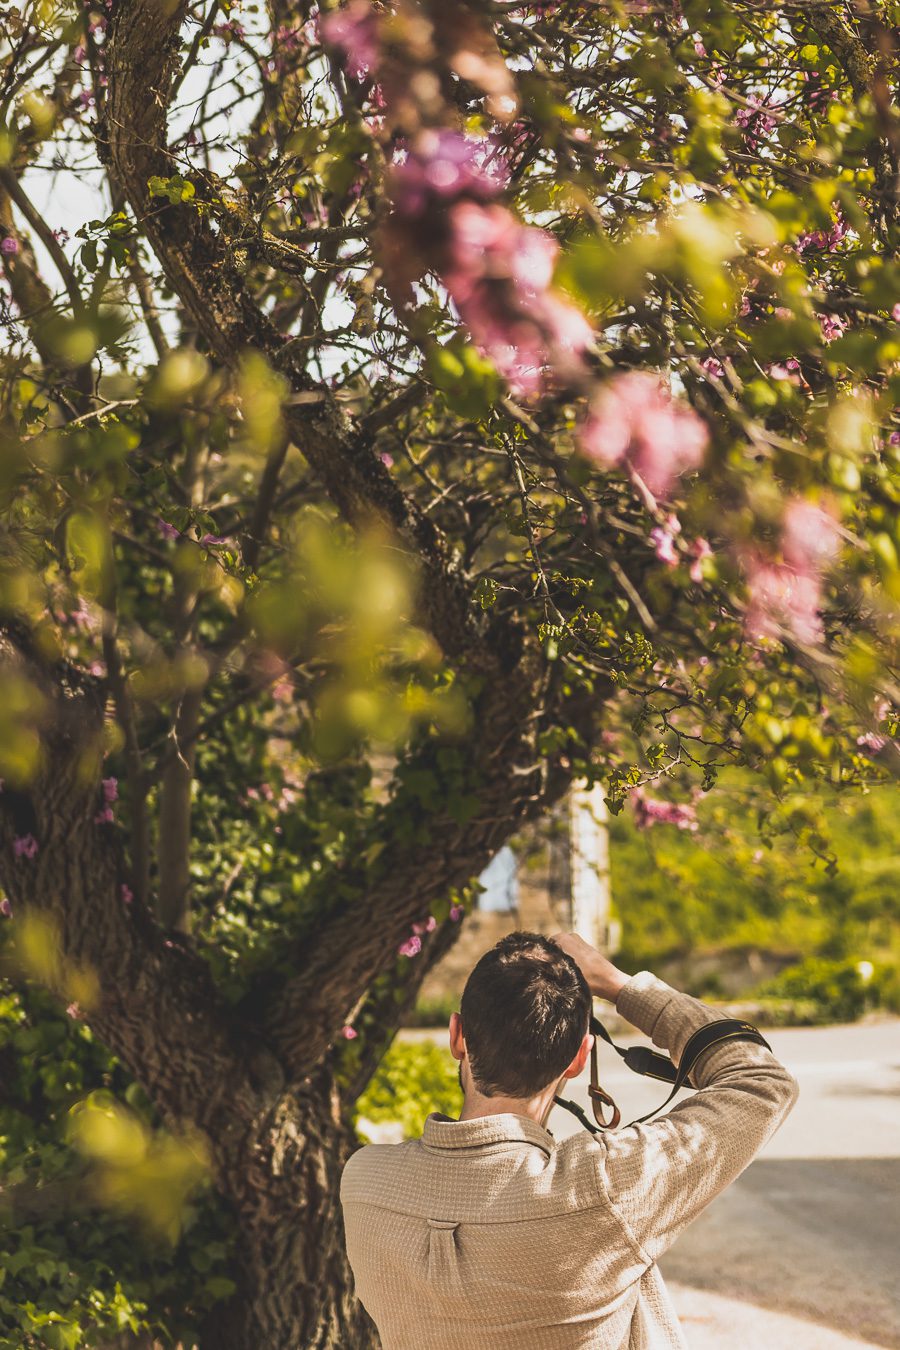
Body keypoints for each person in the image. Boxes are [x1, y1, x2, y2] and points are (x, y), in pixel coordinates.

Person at [340, 929, 799, 1348]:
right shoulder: (604, 1186)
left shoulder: (364, 1183)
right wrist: (620, 986)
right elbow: (762, 1081)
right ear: (581, 1056)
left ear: (458, 1037)